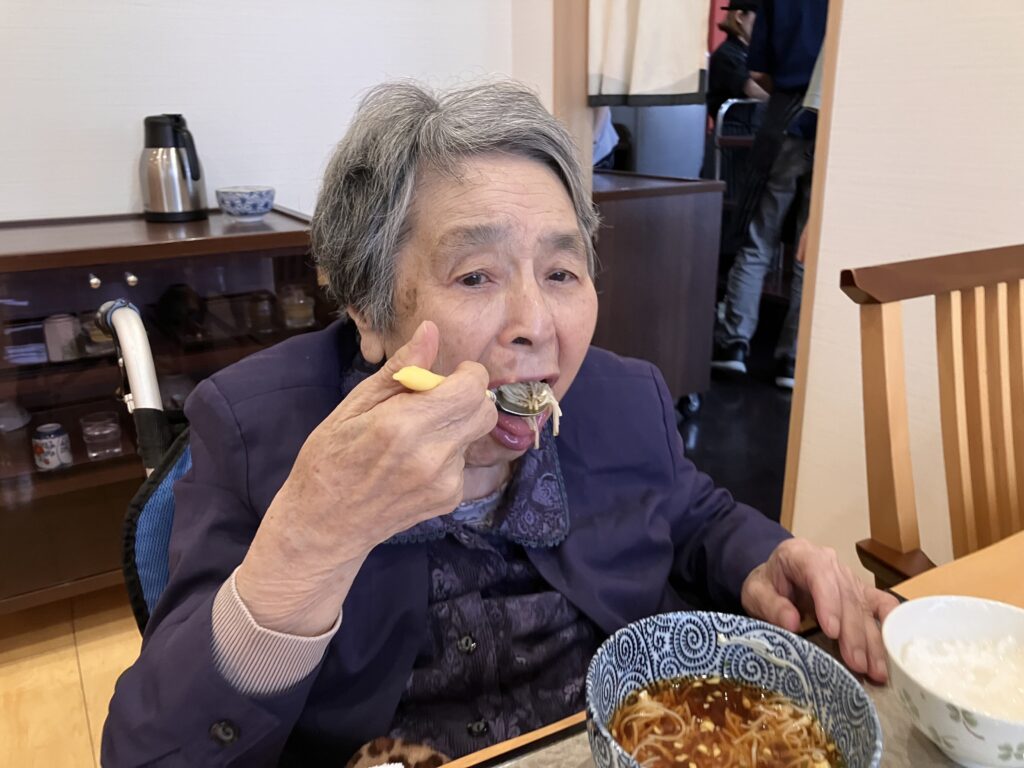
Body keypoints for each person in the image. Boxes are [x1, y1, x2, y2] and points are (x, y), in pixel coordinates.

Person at [102, 80, 896, 766]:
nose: (535, 324)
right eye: (476, 275)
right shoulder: (255, 429)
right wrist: (311, 544)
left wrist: (763, 558)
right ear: (369, 313)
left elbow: (693, 513)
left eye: (561, 272)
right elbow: (150, 752)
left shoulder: (625, 397)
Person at [712, 0, 828, 388]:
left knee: (760, 234)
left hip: (785, 111)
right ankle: (793, 359)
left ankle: (734, 344)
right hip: (834, 113)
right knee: (811, 246)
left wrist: (789, 95)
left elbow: (758, 70)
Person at [706, 0, 768, 126]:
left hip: (755, 129)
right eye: (761, 17)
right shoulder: (727, 54)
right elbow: (753, 89)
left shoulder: (753, 52)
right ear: (739, 16)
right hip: (736, 131)